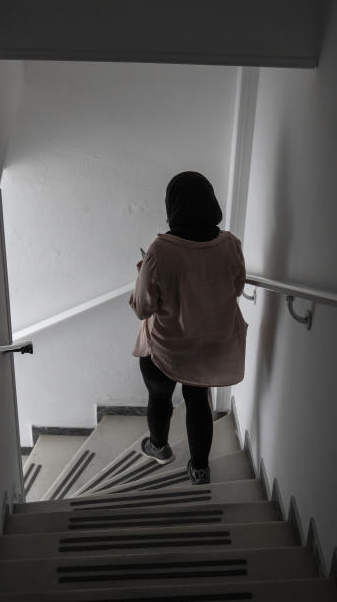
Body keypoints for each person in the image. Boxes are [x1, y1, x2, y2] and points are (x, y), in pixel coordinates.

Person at [129, 171, 247, 485]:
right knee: (198, 401)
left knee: (159, 397)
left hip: (166, 347)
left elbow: (143, 308)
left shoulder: (160, 250)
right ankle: (199, 469)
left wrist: (144, 275)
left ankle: (158, 447)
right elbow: (235, 288)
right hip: (208, 345)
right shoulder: (230, 244)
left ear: (172, 205)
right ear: (210, 201)